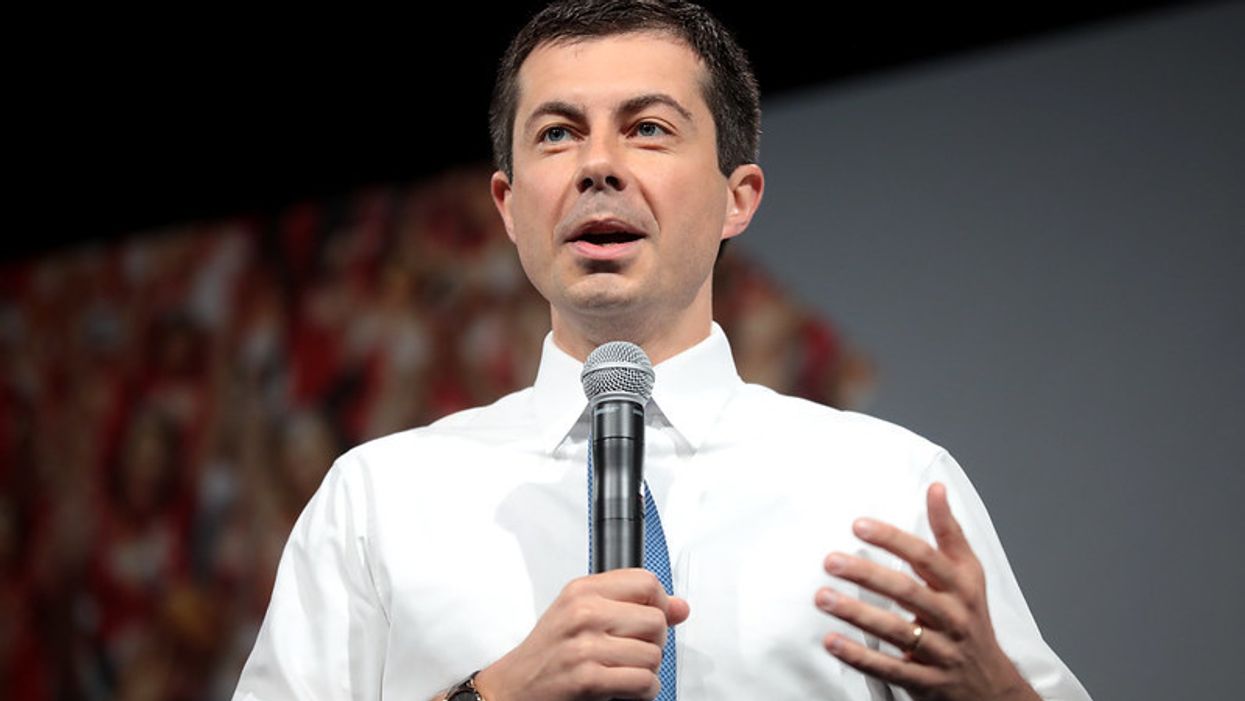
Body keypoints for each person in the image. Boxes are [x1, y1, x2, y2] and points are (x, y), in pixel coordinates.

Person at [234, 1, 1091, 699]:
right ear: (507, 205)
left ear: (737, 197)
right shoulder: (379, 501)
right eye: (557, 133)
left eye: (646, 128)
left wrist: (996, 694)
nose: (597, 166)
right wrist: (491, 697)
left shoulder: (886, 486)